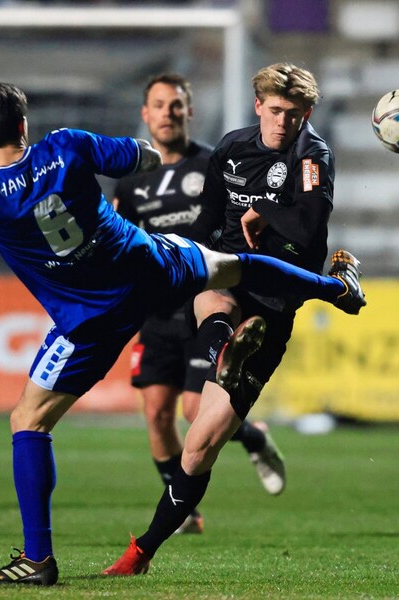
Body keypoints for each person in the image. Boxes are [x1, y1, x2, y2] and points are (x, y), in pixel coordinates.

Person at [0, 27, 364, 587]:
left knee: (28, 421)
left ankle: (37, 559)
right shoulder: (66, 145)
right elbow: (140, 156)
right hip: (146, 264)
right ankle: (333, 290)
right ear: (23, 125)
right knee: (233, 265)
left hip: (89, 318)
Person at [103, 62, 360, 576]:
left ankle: (145, 548)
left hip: (276, 298)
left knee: (199, 444)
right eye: (275, 110)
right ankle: (226, 347)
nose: (283, 122)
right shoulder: (231, 148)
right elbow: (206, 219)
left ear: (307, 113)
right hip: (225, 272)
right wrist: (178, 256)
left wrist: (268, 213)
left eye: (294, 113)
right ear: (259, 104)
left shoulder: (313, 157)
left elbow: (309, 230)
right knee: (213, 295)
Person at [114, 74, 288, 536]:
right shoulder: (131, 182)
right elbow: (120, 243)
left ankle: (249, 439)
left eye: (176, 105)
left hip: (206, 301)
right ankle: (185, 511)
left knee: (196, 411)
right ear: (145, 114)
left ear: (189, 111)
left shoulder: (216, 164)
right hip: (156, 308)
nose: (168, 113)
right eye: (159, 105)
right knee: (155, 412)